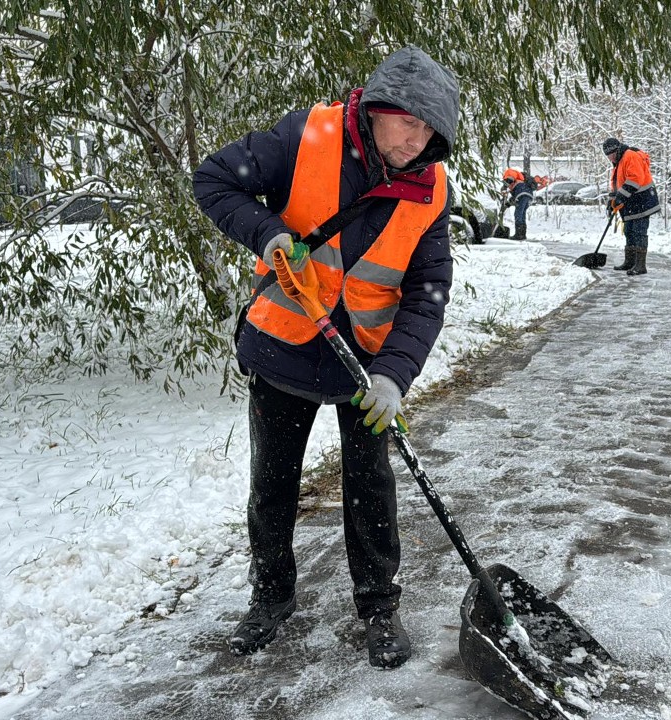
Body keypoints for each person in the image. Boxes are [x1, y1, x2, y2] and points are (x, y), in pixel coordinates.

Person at [192, 46, 459, 669]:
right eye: (408, 123)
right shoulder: (304, 137)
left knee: (370, 489)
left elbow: (426, 292)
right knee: (273, 484)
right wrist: (267, 232)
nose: (416, 142)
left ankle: (378, 608)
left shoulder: (430, 190)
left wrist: (394, 376)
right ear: (374, 109)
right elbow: (213, 180)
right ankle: (271, 597)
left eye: (429, 131)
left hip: (362, 363)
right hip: (282, 347)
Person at [602, 137, 660, 275]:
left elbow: (634, 180)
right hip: (631, 203)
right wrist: (611, 202)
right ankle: (630, 262)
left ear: (616, 150)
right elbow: (617, 185)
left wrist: (620, 198)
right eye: (608, 156)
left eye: (611, 155)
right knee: (629, 231)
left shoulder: (630, 156)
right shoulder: (618, 162)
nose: (610, 158)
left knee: (639, 232)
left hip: (642, 201)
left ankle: (640, 265)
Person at [501, 167, 535, 240]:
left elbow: (509, 183)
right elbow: (514, 197)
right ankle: (522, 234)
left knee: (518, 214)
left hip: (522, 194)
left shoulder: (509, 175)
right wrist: (507, 205)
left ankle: (519, 235)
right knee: (522, 214)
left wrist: (504, 188)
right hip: (528, 195)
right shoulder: (520, 181)